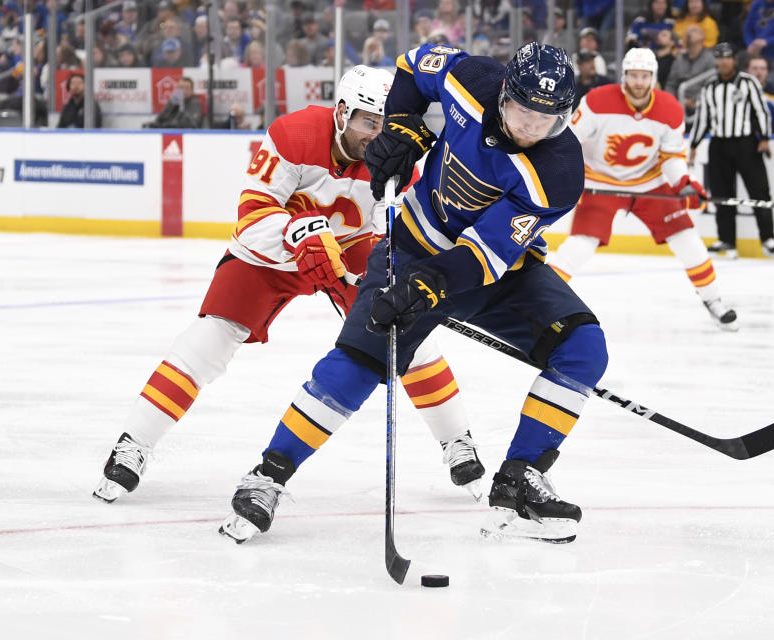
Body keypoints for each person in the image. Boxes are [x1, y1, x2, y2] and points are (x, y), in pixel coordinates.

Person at [218, 43, 606, 545]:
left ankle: (521, 477)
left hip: (492, 269)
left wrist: (429, 286)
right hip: (412, 245)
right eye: (523, 112)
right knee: (359, 360)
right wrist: (404, 125)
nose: (533, 128)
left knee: (582, 347)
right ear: (503, 94)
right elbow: (412, 64)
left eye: (548, 120)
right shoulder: (471, 79)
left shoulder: (559, 172)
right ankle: (269, 475)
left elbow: (484, 253)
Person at [95, 66, 485, 505]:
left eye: (385, 122)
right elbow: (252, 216)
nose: (377, 136)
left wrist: (393, 271)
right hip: (275, 249)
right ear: (341, 113)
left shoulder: (399, 160)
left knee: (407, 334)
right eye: (367, 122)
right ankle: (135, 443)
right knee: (211, 337)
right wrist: (298, 235)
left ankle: (456, 441)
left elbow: (390, 233)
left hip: (351, 250)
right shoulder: (293, 134)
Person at [552, 48, 736, 331]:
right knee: (580, 246)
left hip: (649, 184)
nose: (638, 82)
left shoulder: (670, 109)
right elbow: (568, 141)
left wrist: (683, 184)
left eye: (644, 76)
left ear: (654, 78)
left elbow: (672, 157)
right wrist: (566, 176)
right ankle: (544, 301)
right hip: (601, 183)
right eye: (633, 76)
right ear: (624, 76)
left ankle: (713, 301)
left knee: (687, 238)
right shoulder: (598, 101)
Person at [689, 42, 774, 259]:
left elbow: (761, 111)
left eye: (727, 57)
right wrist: (694, 144)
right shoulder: (709, 86)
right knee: (721, 195)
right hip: (719, 144)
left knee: (759, 191)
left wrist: (764, 138)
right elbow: (703, 118)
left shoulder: (748, 83)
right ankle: (727, 240)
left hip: (745, 144)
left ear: (734, 60)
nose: (723, 62)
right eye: (719, 58)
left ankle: (768, 238)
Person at [664, 25, 715, 116]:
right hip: (678, 103)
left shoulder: (710, 59)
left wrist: (696, 99)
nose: (689, 33)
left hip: (701, 105)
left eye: (694, 31)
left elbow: (712, 84)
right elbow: (670, 84)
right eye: (688, 31)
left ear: (702, 37)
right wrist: (672, 100)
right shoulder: (679, 59)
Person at [746, 55, 774, 132]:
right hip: (743, 134)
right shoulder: (738, 92)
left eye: (762, 69)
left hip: (770, 133)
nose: (759, 72)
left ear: (767, 72)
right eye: (755, 68)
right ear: (747, 71)